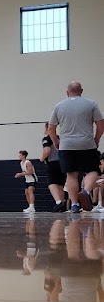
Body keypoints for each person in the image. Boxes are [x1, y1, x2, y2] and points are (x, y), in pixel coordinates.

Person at [47, 81, 104, 215]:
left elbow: (51, 128)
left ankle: (74, 205)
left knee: (71, 175)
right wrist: (96, 139)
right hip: (87, 143)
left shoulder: (59, 106)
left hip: (66, 145)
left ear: (67, 92)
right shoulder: (91, 104)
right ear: (81, 91)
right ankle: (85, 191)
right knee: (92, 170)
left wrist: (56, 142)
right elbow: (101, 125)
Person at [40, 130, 67, 212]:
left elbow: (47, 150)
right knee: (60, 185)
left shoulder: (47, 138)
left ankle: (58, 202)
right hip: (62, 163)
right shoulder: (59, 138)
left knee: (51, 183)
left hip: (52, 163)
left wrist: (42, 158)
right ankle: (62, 204)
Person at [14, 150, 37, 215]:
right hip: (27, 180)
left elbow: (30, 172)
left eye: (20, 155)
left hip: (32, 179)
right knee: (26, 192)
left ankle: (32, 207)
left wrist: (21, 174)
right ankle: (30, 207)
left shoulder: (28, 162)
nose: (19, 156)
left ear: (24, 155)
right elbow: (25, 172)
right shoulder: (21, 163)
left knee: (30, 191)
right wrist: (20, 174)